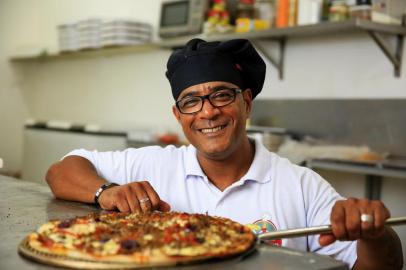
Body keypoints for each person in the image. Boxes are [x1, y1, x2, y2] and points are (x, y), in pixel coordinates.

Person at [46, 38, 403, 269]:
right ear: (178, 116)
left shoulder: (302, 186)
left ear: (246, 103)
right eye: (191, 101)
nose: (207, 112)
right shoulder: (154, 163)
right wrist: (105, 192)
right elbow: (61, 170)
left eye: (221, 95)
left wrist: (376, 235)